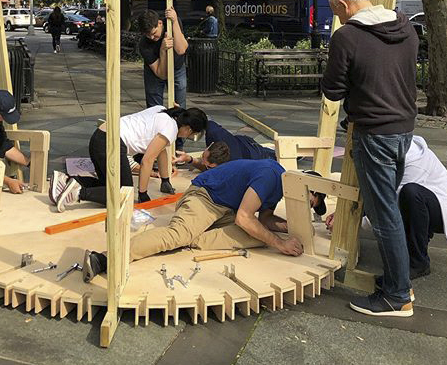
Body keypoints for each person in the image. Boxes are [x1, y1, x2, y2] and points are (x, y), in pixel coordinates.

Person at [320, 0, 419, 317]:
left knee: (383, 215)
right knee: (388, 209)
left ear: (344, 6)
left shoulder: (347, 37)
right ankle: (400, 280)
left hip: (374, 133)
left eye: (337, 13)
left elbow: (332, 91)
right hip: (404, 129)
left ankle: (397, 295)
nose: (339, 19)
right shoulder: (406, 28)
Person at [78, 159, 329, 282]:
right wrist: (280, 243)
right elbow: (244, 217)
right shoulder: (271, 175)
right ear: (307, 189)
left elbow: (263, 218)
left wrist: (287, 227)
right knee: (177, 235)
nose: (305, 207)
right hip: (205, 197)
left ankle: (192, 236)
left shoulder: (280, 187)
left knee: (260, 236)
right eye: (310, 202)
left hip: (225, 209)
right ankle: (106, 258)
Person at [324, 135, 447, 280]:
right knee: (408, 197)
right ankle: (419, 236)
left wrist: (350, 223)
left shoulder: (411, 164)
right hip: (428, 198)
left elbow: (388, 206)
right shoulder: (392, 147)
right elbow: (373, 191)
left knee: (411, 195)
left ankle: (419, 263)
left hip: (446, 209)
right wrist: (341, 213)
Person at [51, 105, 208, 210]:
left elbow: (161, 151)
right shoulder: (171, 129)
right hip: (111, 143)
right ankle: (78, 193)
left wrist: (165, 180)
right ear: (188, 128)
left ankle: (65, 180)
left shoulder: (163, 111)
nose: (187, 137)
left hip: (99, 137)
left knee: (108, 183)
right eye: (191, 134)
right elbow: (147, 161)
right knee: (124, 194)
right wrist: (142, 193)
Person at [136, 7, 188, 111]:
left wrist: (175, 21)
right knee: (154, 108)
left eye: (154, 33)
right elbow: (162, 75)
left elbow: (181, 49)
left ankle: (178, 125)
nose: (151, 37)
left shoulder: (170, 23)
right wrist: (162, 50)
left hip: (177, 66)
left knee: (179, 105)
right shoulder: (144, 44)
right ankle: (157, 125)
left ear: (160, 23)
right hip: (155, 72)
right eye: (147, 35)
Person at [175, 119, 273, 170]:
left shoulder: (228, 168)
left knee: (279, 156)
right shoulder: (212, 130)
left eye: (205, 163)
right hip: (245, 143)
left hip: (257, 154)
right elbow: (202, 119)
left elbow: (205, 168)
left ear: (213, 165)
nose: (202, 160)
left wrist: (190, 160)